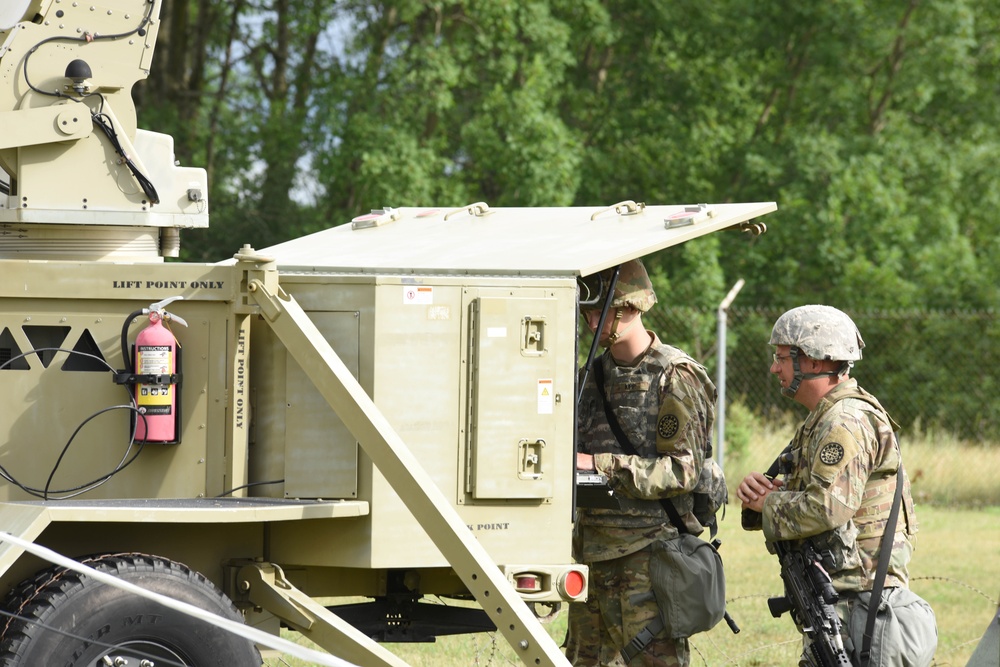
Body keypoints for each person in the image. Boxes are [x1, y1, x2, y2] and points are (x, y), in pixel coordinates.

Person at [737, 305, 937, 667]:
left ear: (814, 361)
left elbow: (827, 507)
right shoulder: (826, 418)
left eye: (781, 357)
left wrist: (767, 503)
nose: (773, 368)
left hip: (860, 608)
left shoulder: (844, 421)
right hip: (843, 603)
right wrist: (773, 495)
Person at [568, 259, 718, 666]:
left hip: (648, 556)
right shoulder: (590, 377)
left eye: (599, 310)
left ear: (630, 307)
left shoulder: (675, 376)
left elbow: (683, 469)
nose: (590, 320)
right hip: (594, 552)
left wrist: (600, 465)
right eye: (587, 311)